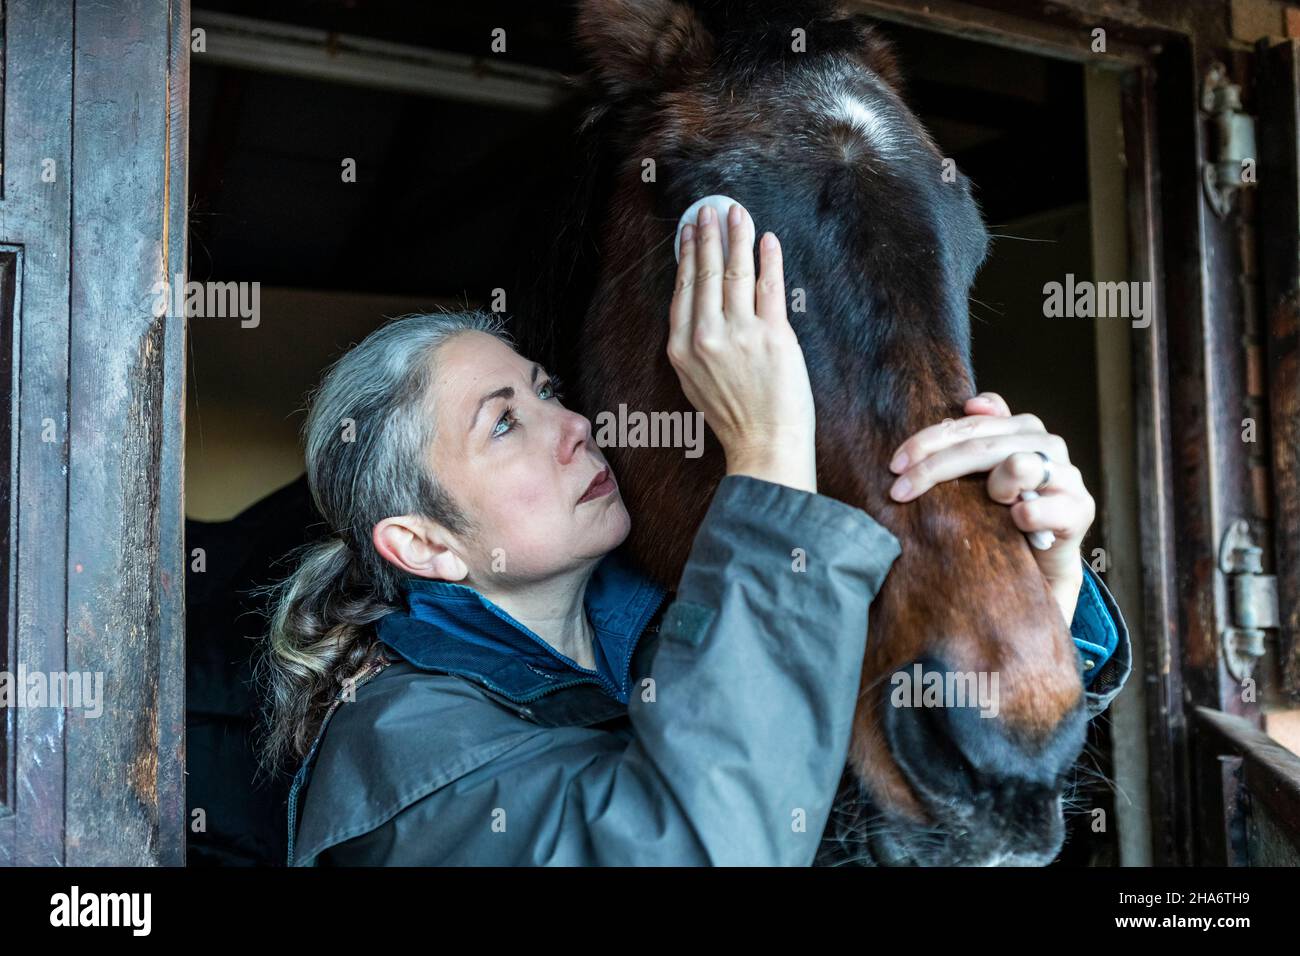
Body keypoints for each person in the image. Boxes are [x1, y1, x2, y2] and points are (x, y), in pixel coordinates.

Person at [261, 201, 1130, 866]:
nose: (572, 425)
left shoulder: (651, 644)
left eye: (546, 391)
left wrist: (1041, 613)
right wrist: (767, 450)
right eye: (502, 424)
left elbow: (879, 835)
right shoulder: (402, 759)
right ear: (423, 546)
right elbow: (700, 847)